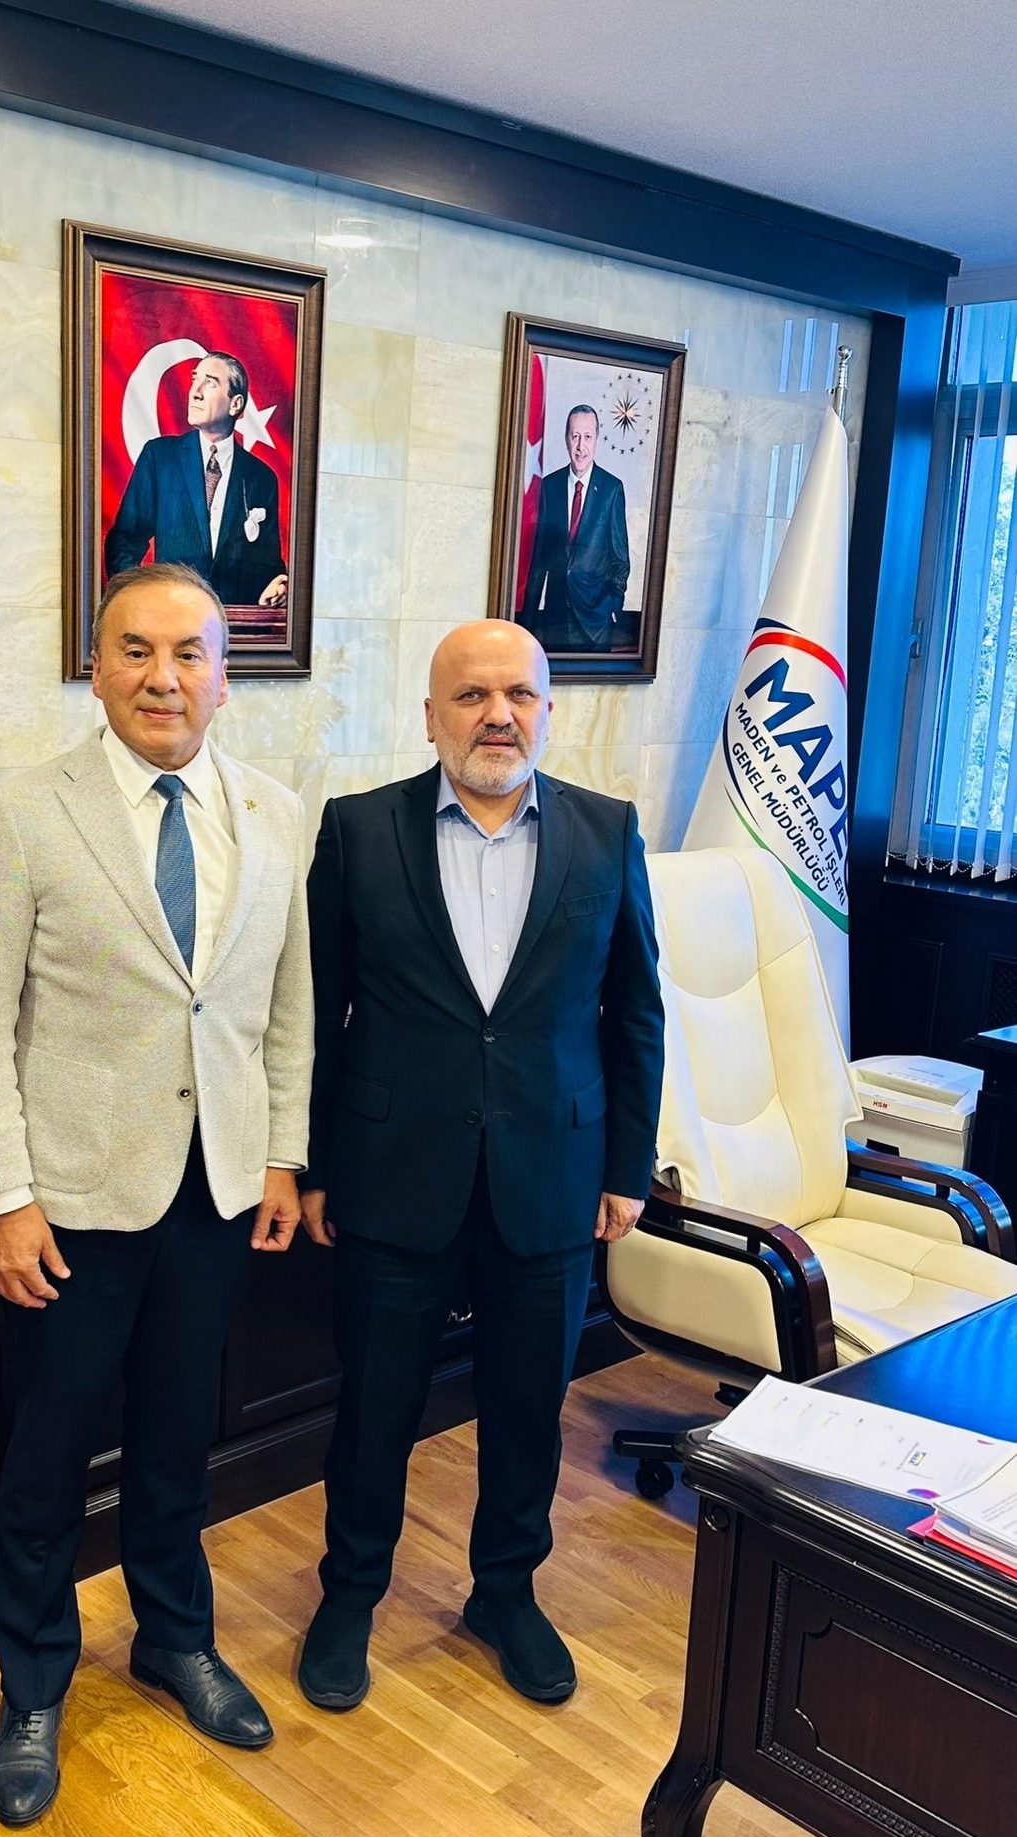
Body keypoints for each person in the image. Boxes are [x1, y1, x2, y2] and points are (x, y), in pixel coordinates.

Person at [0, 563, 311, 1827]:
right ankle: (33, 1685)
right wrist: (2, 1196)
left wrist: (281, 1154)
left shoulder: (275, 814)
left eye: (189, 653)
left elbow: (285, 1008)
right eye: (135, 651)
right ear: (94, 669)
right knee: (46, 1459)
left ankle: (173, 1640)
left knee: (177, 1442)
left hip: (214, 1193)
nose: (163, 677)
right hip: (70, 1207)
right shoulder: (24, 813)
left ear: (224, 675)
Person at [295, 619, 663, 1713]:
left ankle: (505, 1593)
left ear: (547, 710)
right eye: (470, 696)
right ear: (430, 716)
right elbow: (314, 1012)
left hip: (553, 1176)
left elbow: (635, 1014)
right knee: (374, 1410)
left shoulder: (606, 831)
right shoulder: (359, 830)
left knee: (525, 1409)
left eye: (519, 695)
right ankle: (349, 1597)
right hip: (391, 1175)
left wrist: (627, 1167)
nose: (497, 715)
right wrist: (309, 1166)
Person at [105, 352, 289, 609]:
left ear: (235, 404)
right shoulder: (160, 457)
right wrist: (139, 602)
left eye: (210, 383)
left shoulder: (261, 477)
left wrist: (278, 586)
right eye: (195, 380)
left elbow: (269, 564)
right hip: (170, 619)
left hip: (235, 626)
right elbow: (125, 541)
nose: (195, 392)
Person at [521, 403, 630, 651]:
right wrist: (527, 623)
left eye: (588, 437)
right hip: (555, 621)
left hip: (595, 624)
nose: (581, 446)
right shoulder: (549, 487)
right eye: (575, 436)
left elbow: (620, 560)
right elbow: (539, 561)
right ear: (566, 440)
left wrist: (612, 607)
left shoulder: (612, 489)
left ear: (597, 440)